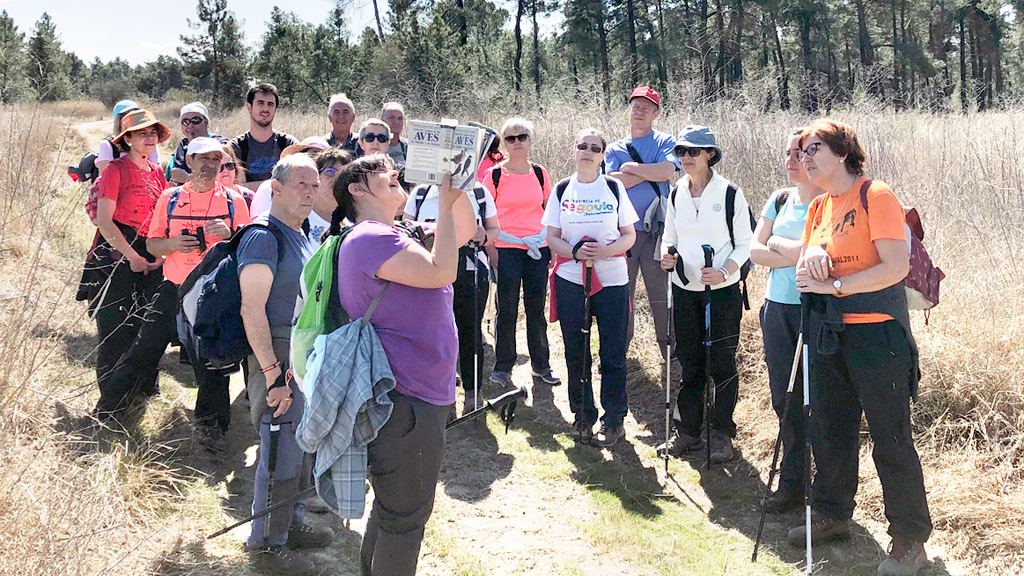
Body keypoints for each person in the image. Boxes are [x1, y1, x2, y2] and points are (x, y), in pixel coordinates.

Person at [790, 119, 931, 576]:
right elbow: (807, 270)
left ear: (843, 152)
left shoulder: (877, 195)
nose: (805, 158)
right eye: (802, 151)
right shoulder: (818, 208)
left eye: (814, 149)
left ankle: (909, 540)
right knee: (829, 426)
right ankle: (832, 514)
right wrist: (811, 264)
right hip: (830, 334)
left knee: (890, 436)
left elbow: (894, 266)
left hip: (879, 335)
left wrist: (836, 285)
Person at [329, 155, 476, 576]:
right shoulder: (369, 238)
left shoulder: (400, 233)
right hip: (404, 399)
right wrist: (444, 205)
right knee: (405, 520)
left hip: (413, 395)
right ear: (356, 190)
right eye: (381, 171)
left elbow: (462, 233)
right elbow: (443, 270)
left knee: (394, 509)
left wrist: (457, 187)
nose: (394, 172)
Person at [237, 154, 332, 574]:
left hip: (303, 358)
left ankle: (289, 525)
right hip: (275, 357)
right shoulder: (262, 237)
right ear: (275, 189)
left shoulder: (306, 232)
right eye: (300, 185)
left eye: (314, 185)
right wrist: (273, 375)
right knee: (278, 452)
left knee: (300, 450)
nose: (310, 192)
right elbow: (251, 310)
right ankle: (265, 543)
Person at [143, 138, 252, 443]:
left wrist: (230, 234)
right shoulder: (170, 198)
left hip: (214, 292)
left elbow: (248, 248)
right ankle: (117, 407)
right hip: (175, 288)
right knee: (146, 349)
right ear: (188, 162)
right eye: (202, 159)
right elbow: (152, 244)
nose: (210, 165)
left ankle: (212, 427)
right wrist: (173, 245)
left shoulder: (234, 200)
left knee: (212, 363)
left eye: (216, 160)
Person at [657, 125, 751, 464]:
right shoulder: (676, 192)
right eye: (681, 151)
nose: (686, 158)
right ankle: (689, 431)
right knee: (690, 361)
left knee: (722, 363)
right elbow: (669, 237)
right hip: (685, 290)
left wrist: (725, 271)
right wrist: (667, 256)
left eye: (694, 152)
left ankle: (722, 433)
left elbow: (746, 245)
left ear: (710, 154)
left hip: (722, 293)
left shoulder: (730, 194)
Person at [543, 129, 637, 447]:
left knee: (612, 353)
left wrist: (605, 251)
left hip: (611, 279)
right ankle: (583, 415)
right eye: (582, 145)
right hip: (571, 279)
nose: (588, 151)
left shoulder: (613, 187)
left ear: (602, 155)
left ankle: (614, 421)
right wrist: (574, 252)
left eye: (595, 148)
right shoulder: (561, 190)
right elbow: (552, 237)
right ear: (574, 150)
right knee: (575, 352)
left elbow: (629, 235)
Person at [748, 128, 823, 512]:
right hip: (777, 308)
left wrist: (777, 245)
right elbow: (754, 251)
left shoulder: (829, 203)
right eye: (789, 154)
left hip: (817, 311)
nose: (793, 160)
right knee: (786, 399)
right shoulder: (778, 200)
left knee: (820, 402)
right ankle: (792, 484)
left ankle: (825, 493)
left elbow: (825, 255)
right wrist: (792, 250)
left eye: (800, 153)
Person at [89, 109, 170, 421]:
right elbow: (105, 221)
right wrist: (131, 256)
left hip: (149, 251)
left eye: (152, 133)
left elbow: (161, 216)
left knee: (146, 329)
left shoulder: (156, 171)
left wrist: (159, 254)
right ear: (128, 139)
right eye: (141, 133)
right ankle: (109, 406)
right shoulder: (115, 170)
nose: (149, 138)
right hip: (116, 253)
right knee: (114, 331)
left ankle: (138, 394)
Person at [404, 174, 500, 412]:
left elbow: (494, 229)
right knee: (432, 332)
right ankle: (438, 394)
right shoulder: (420, 194)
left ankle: (472, 392)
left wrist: (484, 236)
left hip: (470, 268)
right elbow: (404, 230)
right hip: (427, 270)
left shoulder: (479, 192)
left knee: (470, 330)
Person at [482, 118, 560, 387]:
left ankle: (541, 365)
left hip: (536, 249)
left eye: (522, 137)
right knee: (507, 309)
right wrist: (491, 248)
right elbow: (484, 215)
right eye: (511, 138)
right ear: (504, 143)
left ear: (529, 140)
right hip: (505, 249)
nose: (517, 143)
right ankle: (504, 366)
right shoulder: (493, 175)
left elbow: (550, 210)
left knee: (536, 309)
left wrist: (550, 244)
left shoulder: (540, 173)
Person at [604, 86, 679, 357]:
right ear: (629, 109)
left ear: (656, 113)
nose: (639, 112)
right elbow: (612, 182)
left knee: (661, 299)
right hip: (621, 235)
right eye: (635, 106)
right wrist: (651, 173)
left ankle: (670, 356)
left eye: (646, 108)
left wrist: (632, 169)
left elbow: (668, 170)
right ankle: (618, 356)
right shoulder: (614, 148)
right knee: (623, 298)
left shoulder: (665, 141)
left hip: (655, 235)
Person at [230, 83, 299, 189]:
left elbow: (298, 182)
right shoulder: (236, 147)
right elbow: (237, 188)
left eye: (270, 104)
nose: (266, 109)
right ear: (249, 107)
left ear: (275, 109)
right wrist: (278, 184)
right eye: (260, 103)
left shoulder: (288, 144)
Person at [249, 137, 331, 219]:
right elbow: (259, 222)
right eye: (308, 154)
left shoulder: (327, 195)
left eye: (320, 160)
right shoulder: (269, 187)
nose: (313, 161)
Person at [166, 101, 227, 186]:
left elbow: (227, 180)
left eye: (195, 120)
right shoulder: (182, 147)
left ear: (206, 122)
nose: (190, 125)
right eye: (185, 122)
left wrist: (188, 178)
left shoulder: (220, 145)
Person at [95, 99, 159, 174]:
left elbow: (156, 173)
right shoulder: (107, 145)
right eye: (125, 116)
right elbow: (104, 176)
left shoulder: (149, 144)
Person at [309, 147, 353, 247]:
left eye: (342, 174)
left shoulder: (353, 224)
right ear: (316, 177)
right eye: (330, 172)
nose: (336, 178)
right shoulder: (300, 219)